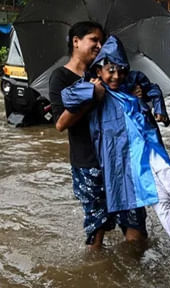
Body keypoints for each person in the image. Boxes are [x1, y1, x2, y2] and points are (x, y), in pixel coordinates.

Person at [63, 36, 170, 282]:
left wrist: (160, 110)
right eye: (110, 71)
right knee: (160, 199)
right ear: (99, 68)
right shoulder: (91, 88)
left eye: (121, 70)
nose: (116, 77)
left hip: (150, 146)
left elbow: (153, 89)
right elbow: (68, 98)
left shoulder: (132, 81)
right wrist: (94, 88)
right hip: (125, 158)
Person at [50, 21, 148, 251]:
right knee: (97, 229)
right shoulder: (61, 78)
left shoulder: (109, 69)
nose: (99, 45)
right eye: (94, 39)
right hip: (88, 162)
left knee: (135, 225)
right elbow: (60, 123)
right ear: (76, 41)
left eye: (102, 41)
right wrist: (91, 96)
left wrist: (135, 95)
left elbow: (131, 111)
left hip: (122, 159)